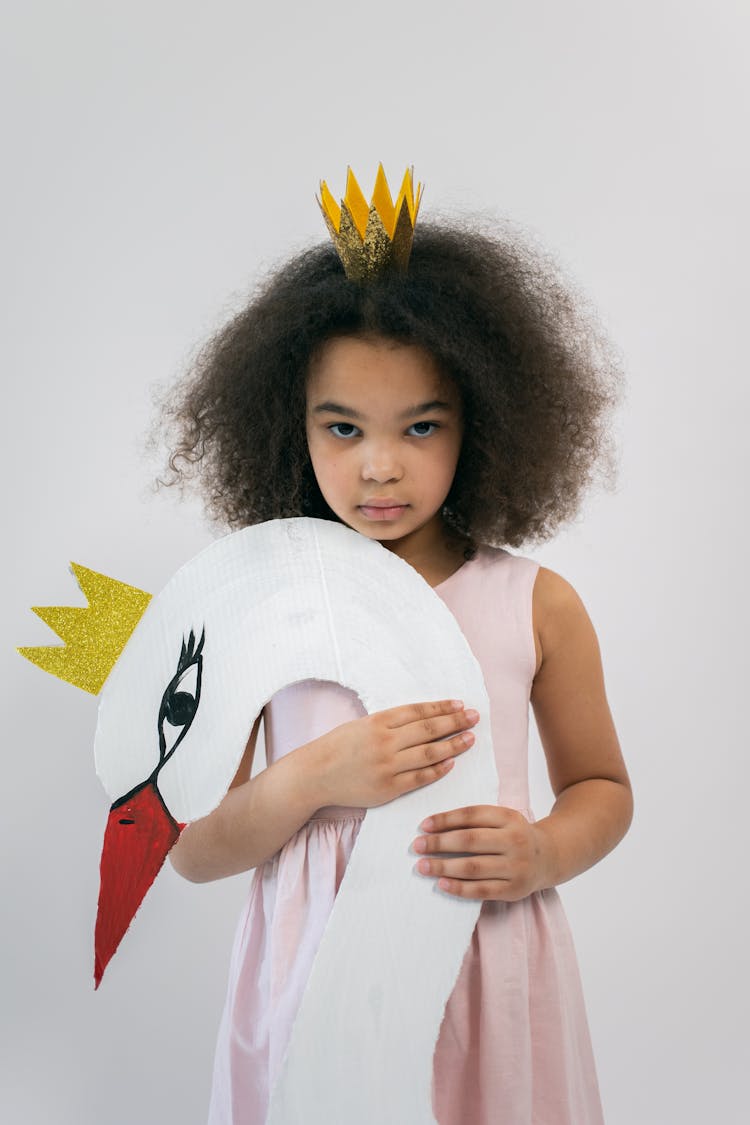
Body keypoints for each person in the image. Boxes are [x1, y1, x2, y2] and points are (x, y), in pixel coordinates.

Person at [162, 179, 632, 1124]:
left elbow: (604, 790)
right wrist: (314, 775)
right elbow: (195, 849)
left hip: (485, 967)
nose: (380, 465)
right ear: (289, 430)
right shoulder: (259, 611)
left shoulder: (536, 604)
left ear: (483, 424)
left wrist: (543, 848)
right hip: (312, 976)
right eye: (343, 427)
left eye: (422, 426)